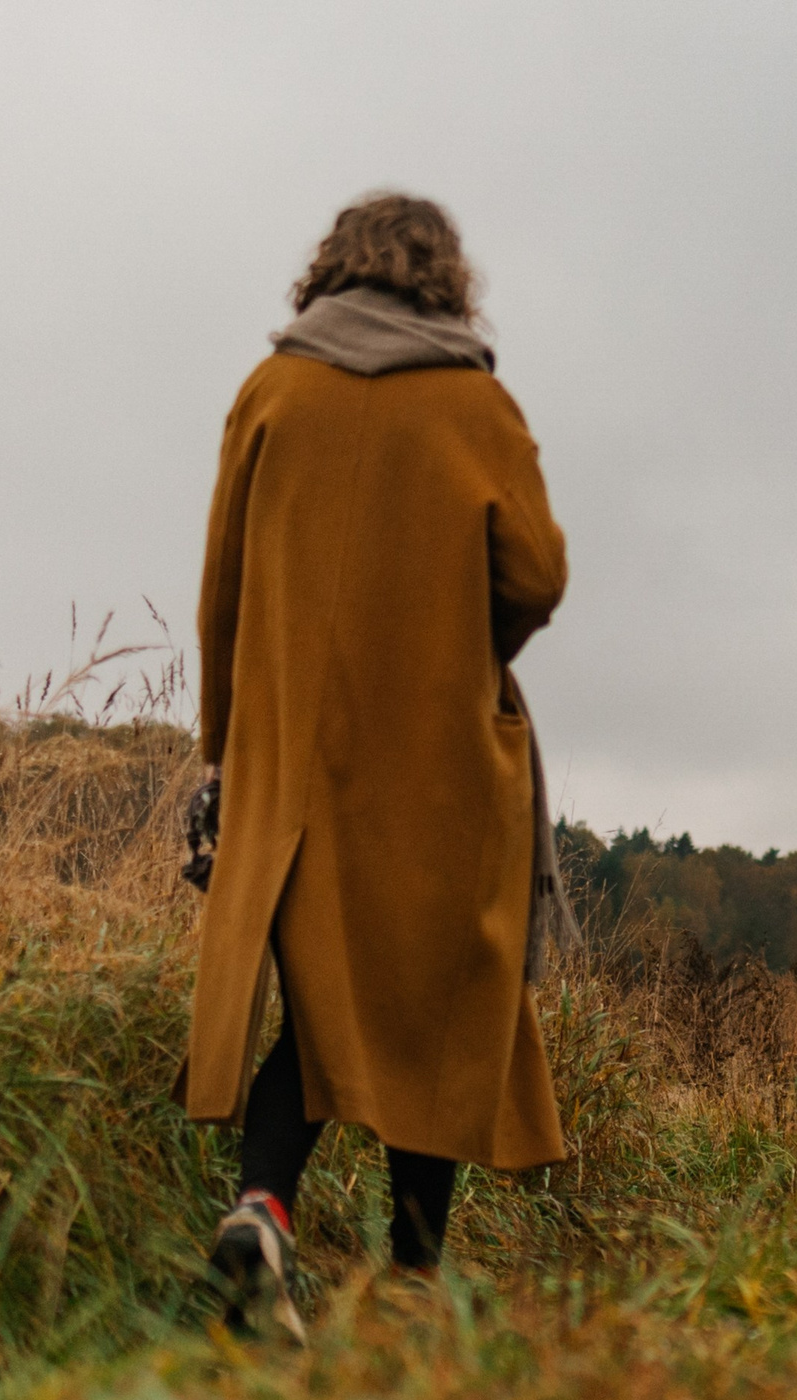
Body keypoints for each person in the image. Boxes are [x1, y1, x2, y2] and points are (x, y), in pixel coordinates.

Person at [181, 192, 572, 1337]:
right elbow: (537, 575)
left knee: (320, 1004)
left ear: (331, 270)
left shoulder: (271, 391)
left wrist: (225, 752)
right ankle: (412, 1284)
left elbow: (221, 593)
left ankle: (262, 1211)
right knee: (432, 1004)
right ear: (445, 278)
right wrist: (466, 647)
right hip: (437, 759)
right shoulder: (477, 404)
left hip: (291, 759)